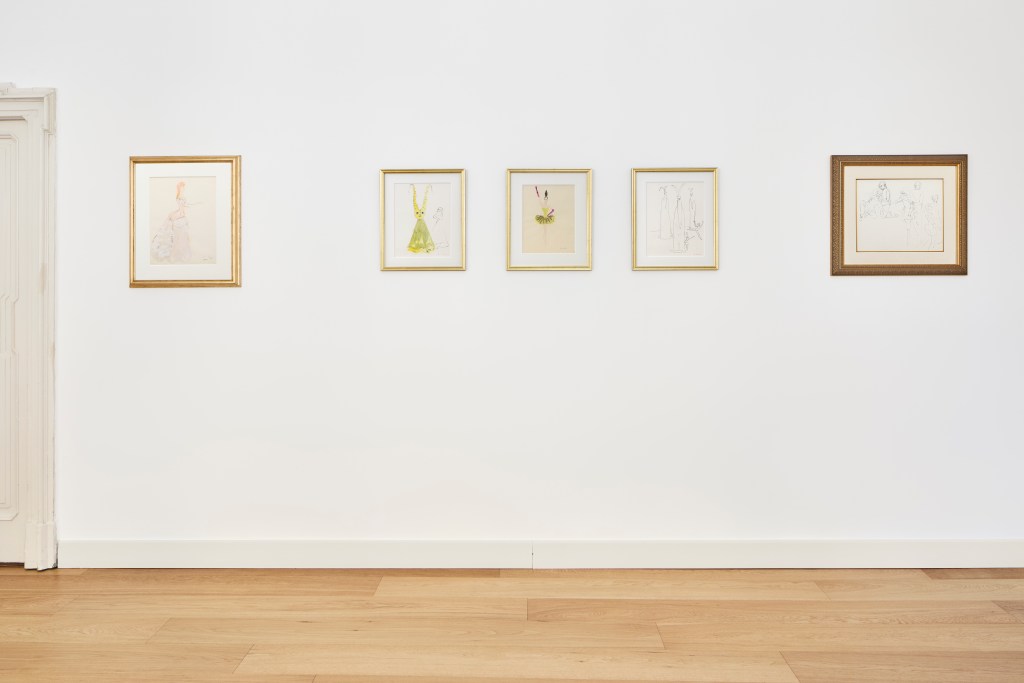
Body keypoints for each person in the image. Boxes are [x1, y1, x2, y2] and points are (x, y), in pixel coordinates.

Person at [406, 184, 435, 253]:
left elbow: (425, 201)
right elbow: (414, 202)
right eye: (417, 213)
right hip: (418, 223)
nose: (419, 214)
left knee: (424, 234)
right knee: (417, 234)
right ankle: (418, 245)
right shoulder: (415, 207)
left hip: (422, 223)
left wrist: (427, 190)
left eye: (421, 213)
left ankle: (424, 246)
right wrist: (413, 189)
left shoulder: (423, 207)